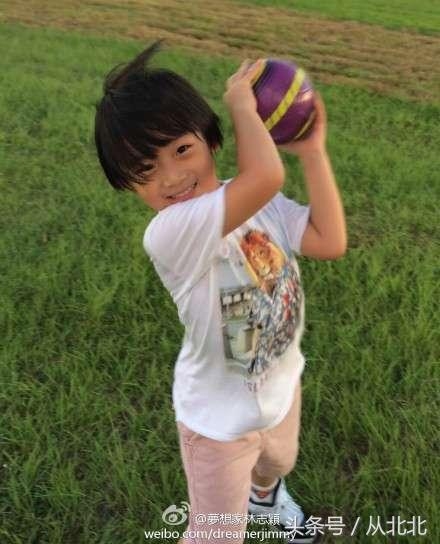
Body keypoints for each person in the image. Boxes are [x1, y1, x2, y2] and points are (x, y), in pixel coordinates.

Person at [94, 40, 346, 544]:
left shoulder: (260, 203)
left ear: (210, 139)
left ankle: (266, 498)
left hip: (280, 385)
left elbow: (329, 240)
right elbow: (266, 174)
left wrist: (313, 152)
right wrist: (240, 105)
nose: (171, 177)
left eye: (181, 150)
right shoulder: (170, 231)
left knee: (278, 463)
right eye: (145, 170)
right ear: (128, 185)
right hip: (216, 423)